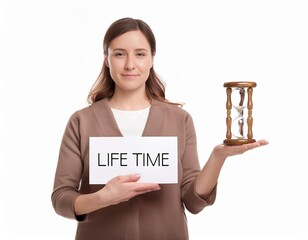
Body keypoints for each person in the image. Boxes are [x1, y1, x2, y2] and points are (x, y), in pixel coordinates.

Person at [51, 17, 268, 240]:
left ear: (152, 58)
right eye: (119, 54)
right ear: (107, 59)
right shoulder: (82, 121)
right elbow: (61, 198)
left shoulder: (179, 120)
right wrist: (102, 198)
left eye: (140, 54)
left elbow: (192, 202)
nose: (130, 64)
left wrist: (217, 157)